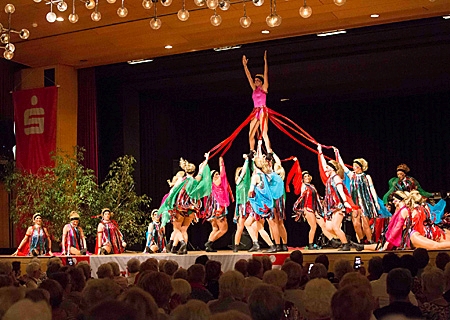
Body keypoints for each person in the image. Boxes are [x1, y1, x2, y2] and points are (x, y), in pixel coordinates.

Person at [160, 153, 211, 255]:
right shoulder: (196, 180)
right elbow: (201, 171)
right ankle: (183, 248)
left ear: (185, 171)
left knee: (177, 228)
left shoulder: (181, 181)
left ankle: (182, 243)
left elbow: (173, 191)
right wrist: (206, 159)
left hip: (180, 208)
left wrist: (168, 203)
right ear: (193, 171)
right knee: (184, 229)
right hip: (192, 208)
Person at [335, 149, 385, 243]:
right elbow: (342, 165)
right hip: (355, 202)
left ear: (360, 167)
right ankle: (362, 240)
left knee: (365, 222)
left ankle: (370, 240)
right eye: (353, 166)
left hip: (365, 202)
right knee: (356, 223)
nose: (353, 168)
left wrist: (375, 202)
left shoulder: (367, 177)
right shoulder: (351, 175)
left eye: (355, 166)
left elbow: (372, 190)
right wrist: (337, 153)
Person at [317, 144, 355, 251]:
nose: (326, 169)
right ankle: (345, 240)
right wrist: (320, 152)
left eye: (328, 168)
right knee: (328, 227)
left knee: (335, 227)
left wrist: (345, 202)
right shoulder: (330, 178)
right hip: (331, 207)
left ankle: (346, 244)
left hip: (338, 206)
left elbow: (341, 191)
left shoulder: (337, 178)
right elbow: (324, 165)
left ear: (333, 169)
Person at [290, 159, 334, 250]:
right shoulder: (303, 186)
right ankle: (310, 244)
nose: (306, 177)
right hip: (308, 208)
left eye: (307, 176)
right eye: (304, 176)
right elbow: (298, 176)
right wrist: (297, 163)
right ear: (302, 178)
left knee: (323, 225)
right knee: (313, 226)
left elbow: (317, 197)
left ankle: (332, 240)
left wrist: (322, 201)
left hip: (315, 209)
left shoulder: (312, 186)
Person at [242, 50, 272, 154]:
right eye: (255, 80)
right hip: (255, 111)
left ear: (261, 81)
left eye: (257, 80)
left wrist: (265, 61)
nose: (255, 81)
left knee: (264, 133)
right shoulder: (254, 89)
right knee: (251, 133)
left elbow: (266, 74)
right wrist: (245, 66)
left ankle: (269, 151)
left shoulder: (264, 88)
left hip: (263, 110)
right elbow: (248, 77)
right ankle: (251, 151)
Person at [203, 157, 232, 252]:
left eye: (218, 174)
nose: (218, 175)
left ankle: (208, 246)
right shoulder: (217, 183)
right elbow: (223, 175)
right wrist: (221, 164)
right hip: (219, 208)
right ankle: (209, 243)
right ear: (212, 177)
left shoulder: (210, 186)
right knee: (223, 229)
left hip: (212, 210)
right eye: (215, 174)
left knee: (215, 229)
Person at [233, 154, 252, 252]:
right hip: (243, 206)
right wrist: (246, 160)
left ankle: (254, 244)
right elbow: (245, 170)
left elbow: (246, 170)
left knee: (253, 225)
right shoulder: (239, 181)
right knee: (240, 226)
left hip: (247, 204)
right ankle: (236, 245)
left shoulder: (245, 182)